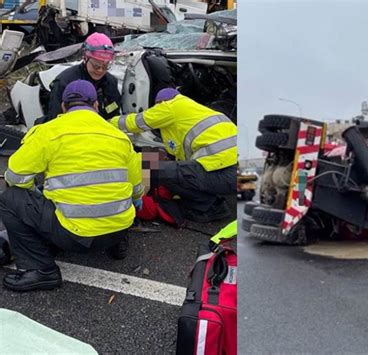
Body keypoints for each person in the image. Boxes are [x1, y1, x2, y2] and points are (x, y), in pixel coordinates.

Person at [0, 80, 143, 292]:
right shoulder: (120, 137)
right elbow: (136, 189)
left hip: (74, 237)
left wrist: (38, 196)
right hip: (119, 229)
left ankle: (41, 270)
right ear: (95, 106)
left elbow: (15, 177)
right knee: (114, 188)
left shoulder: (48, 132)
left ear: (64, 107)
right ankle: (116, 244)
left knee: (10, 198)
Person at [109, 88, 237, 223]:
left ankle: (209, 208)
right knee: (177, 172)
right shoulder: (202, 111)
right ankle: (212, 203)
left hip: (223, 174)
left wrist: (107, 122)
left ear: (161, 103)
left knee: (156, 170)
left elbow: (134, 122)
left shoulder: (170, 106)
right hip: (238, 176)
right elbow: (182, 154)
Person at [39, 32, 121, 123]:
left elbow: (114, 114)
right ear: (85, 58)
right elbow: (54, 120)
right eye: (96, 66)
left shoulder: (111, 82)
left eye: (106, 66)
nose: (101, 70)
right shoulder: (64, 82)